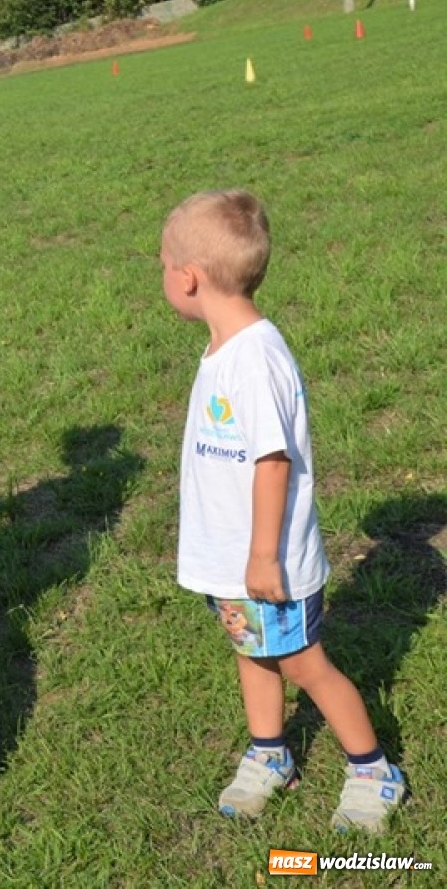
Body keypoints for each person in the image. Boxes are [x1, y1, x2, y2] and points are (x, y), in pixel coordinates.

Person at [160, 189, 407, 831]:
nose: (161, 275)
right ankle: (271, 753)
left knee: (304, 663)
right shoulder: (224, 347)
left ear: (188, 278)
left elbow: (273, 461)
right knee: (252, 652)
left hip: (267, 564)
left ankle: (374, 768)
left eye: (162, 263)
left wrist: (263, 554)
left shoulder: (255, 357)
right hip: (234, 564)